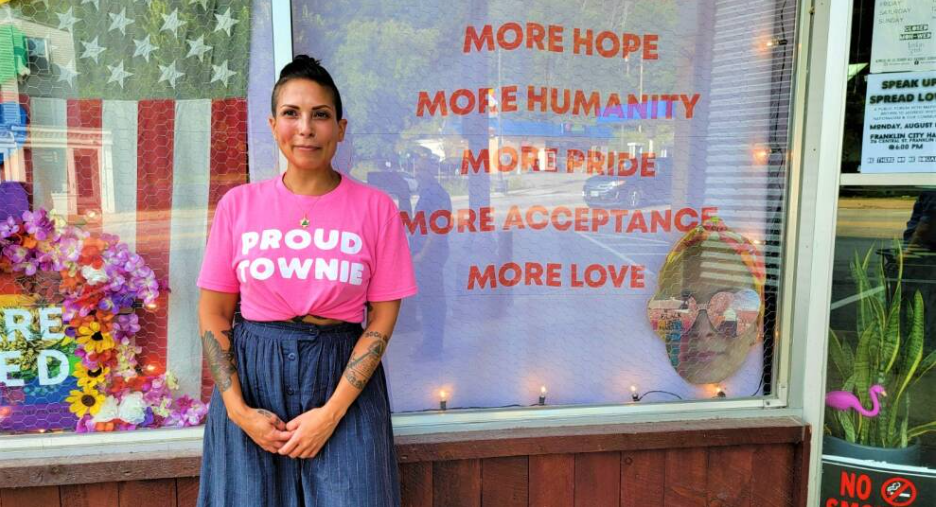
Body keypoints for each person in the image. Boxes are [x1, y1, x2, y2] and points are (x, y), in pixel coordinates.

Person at [195, 55, 417, 506]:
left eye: (320, 115)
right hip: (253, 377)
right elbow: (214, 311)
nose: (306, 128)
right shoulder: (238, 206)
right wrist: (239, 412)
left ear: (341, 127)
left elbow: (382, 319)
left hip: (343, 379)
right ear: (273, 124)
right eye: (292, 114)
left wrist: (330, 415)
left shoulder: (376, 209)